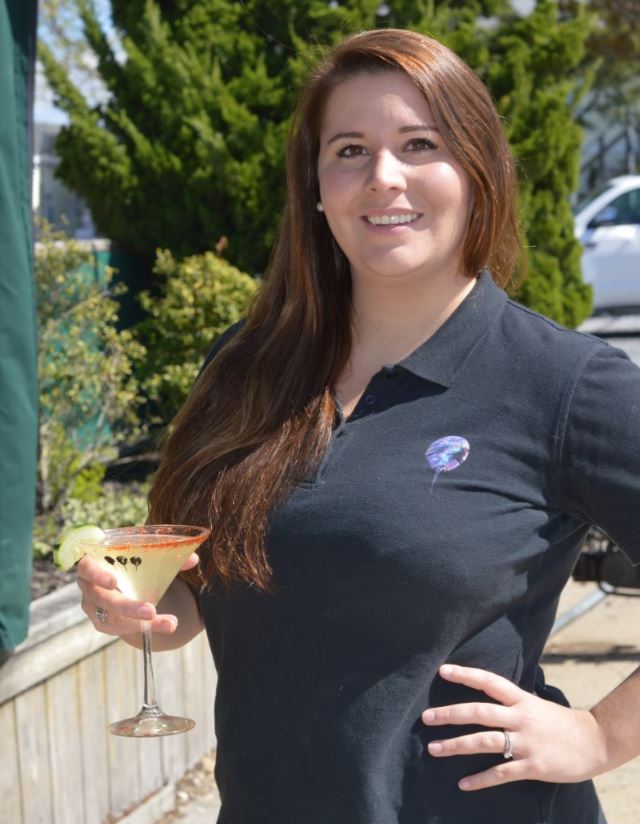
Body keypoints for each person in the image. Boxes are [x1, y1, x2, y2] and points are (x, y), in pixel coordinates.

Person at [76, 28, 640, 824]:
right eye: (350, 150)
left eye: (419, 144)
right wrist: (129, 608)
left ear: (477, 169)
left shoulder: (563, 383)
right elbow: (204, 598)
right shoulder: (245, 367)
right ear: (315, 185)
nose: (383, 177)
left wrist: (599, 735)